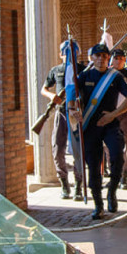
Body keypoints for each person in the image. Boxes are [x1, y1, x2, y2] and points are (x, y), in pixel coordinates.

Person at [74, 44, 127, 219]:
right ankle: (98, 205)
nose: (101, 58)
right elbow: (72, 100)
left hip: (110, 124)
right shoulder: (83, 77)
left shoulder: (115, 77)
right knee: (93, 167)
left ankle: (112, 192)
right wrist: (74, 111)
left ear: (108, 58)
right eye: (97, 55)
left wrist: (114, 114)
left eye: (104, 56)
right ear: (91, 58)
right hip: (89, 127)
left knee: (117, 157)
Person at [41, 41, 86, 200]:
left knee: (78, 150)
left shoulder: (83, 70)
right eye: (65, 52)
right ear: (60, 54)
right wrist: (52, 96)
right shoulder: (56, 70)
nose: (68, 55)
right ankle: (64, 184)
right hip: (61, 112)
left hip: (76, 114)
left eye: (72, 52)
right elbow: (44, 89)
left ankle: (79, 186)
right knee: (57, 148)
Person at [109, 48, 127, 189]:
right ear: (111, 59)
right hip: (109, 113)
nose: (119, 61)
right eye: (116, 58)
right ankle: (114, 173)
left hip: (125, 113)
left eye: (121, 58)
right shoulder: (105, 74)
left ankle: (125, 175)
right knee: (110, 146)